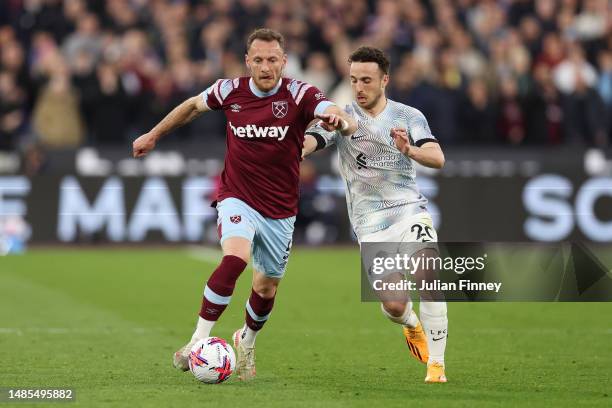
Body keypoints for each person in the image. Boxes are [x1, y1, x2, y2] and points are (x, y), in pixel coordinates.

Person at [132, 28, 357, 380]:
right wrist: (153, 134)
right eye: (258, 60)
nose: (266, 67)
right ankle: (197, 341)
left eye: (272, 60)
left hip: (281, 208)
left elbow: (336, 113)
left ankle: (246, 340)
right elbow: (192, 106)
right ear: (247, 61)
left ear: (283, 61)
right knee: (235, 257)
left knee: (266, 288)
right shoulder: (229, 91)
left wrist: (338, 120)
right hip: (237, 195)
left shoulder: (300, 94)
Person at [302, 46, 448, 383]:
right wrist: (300, 150)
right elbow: (312, 139)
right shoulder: (339, 117)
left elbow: (437, 158)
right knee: (396, 305)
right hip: (370, 225)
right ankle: (411, 324)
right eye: (353, 80)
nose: (359, 87)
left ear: (384, 80)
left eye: (366, 80)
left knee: (428, 274)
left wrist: (408, 149)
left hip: (410, 211)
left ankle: (437, 366)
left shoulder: (408, 116)